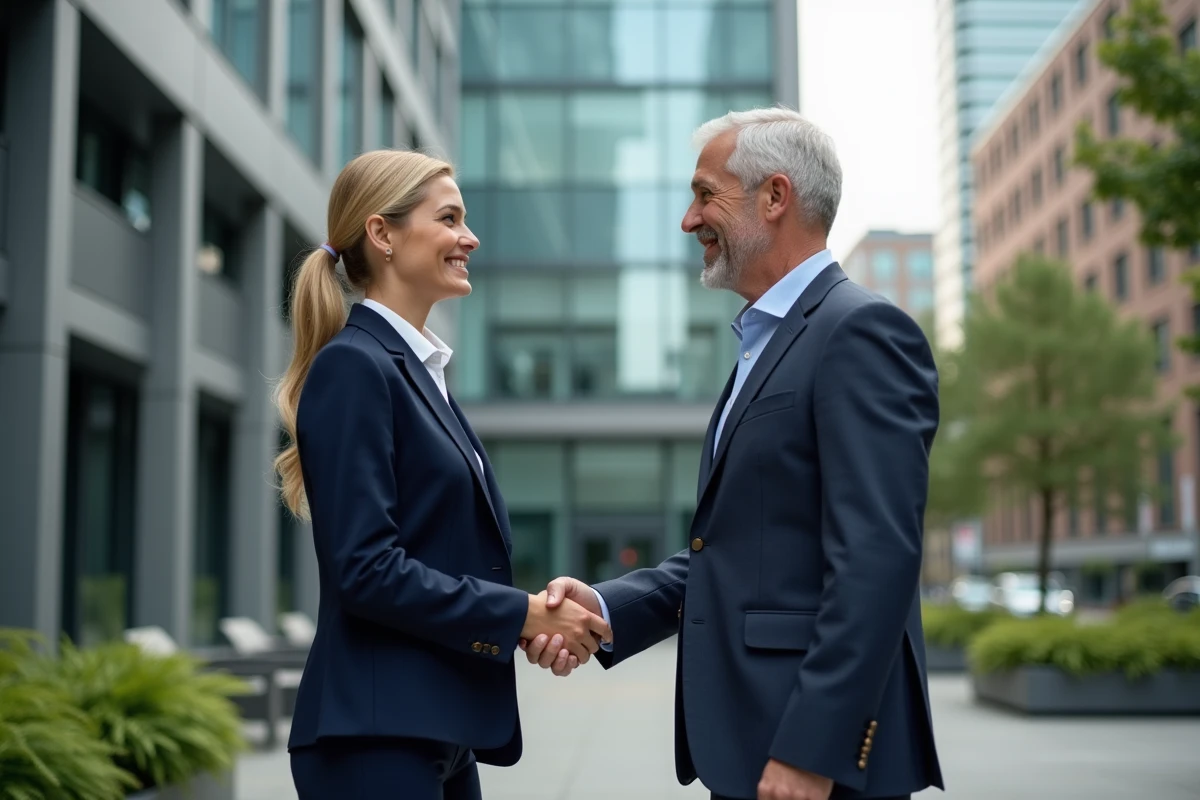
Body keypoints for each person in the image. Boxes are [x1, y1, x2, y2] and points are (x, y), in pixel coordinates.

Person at [522, 108, 945, 800]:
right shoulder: (764, 345)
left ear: (775, 197)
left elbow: (877, 558)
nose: (690, 220)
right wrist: (604, 605)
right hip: (754, 744)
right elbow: (735, 548)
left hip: (810, 761)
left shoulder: (860, 332)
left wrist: (816, 749)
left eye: (705, 194)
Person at [274, 149, 611, 800]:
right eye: (450, 218)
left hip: (435, 729)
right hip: (375, 736)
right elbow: (367, 569)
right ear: (383, 235)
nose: (471, 237)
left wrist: (527, 620)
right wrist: (525, 615)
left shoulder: (418, 372)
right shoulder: (356, 367)